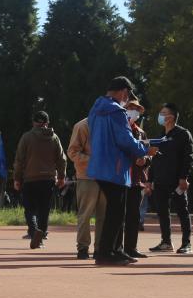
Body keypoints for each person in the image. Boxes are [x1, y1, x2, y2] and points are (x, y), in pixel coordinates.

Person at [87, 76, 157, 266]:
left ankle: (114, 250)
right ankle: (106, 253)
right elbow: (125, 140)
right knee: (116, 212)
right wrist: (145, 149)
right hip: (115, 167)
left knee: (115, 210)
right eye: (127, 95)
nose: (127, 99)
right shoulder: (117, 111)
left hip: (99, 165)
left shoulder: (95, 109)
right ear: (124, 92)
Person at [14, 111, 66, 249]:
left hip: (30, 179)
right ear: (47, 123)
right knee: (44, 209)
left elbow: (19, 160)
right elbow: (62, 159)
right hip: (48, 179)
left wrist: (17, 178)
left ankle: (33, 232)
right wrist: (61, 177)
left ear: (33, 122)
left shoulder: (26, 137)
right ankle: (41, 237)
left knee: (30, 209)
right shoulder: (54, 137)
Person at [147, 103, 193, 253]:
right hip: (160, 180)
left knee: (182, 211)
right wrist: (149, 180)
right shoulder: (160, 136)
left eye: (163, 113)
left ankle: (186, 244)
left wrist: (183, 177)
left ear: (171, 117)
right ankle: (166, 242)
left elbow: (188, 158)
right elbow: (154, 159)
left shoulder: (183, 134)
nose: (160, 116)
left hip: (176, 180)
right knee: (162, 212)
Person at [67, 116, 105, 259]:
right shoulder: (83, 125)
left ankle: (100, 249)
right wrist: (94, 160)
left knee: (104, 216)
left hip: (107, 178)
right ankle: (83, 248)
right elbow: (72, 152)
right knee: (85, 215)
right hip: (87, 177)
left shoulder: (111, 123)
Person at [123, 97, 150, 258]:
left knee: (134, 216)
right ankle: (116, 248)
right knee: (118, 216)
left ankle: (131, 247)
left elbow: (148, 152)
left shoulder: (141, 132)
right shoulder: (119, 129)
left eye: (136, 109)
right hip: (120, 178)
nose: (133, 111)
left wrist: (145, 159)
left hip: (136, 180)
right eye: (130, 108)